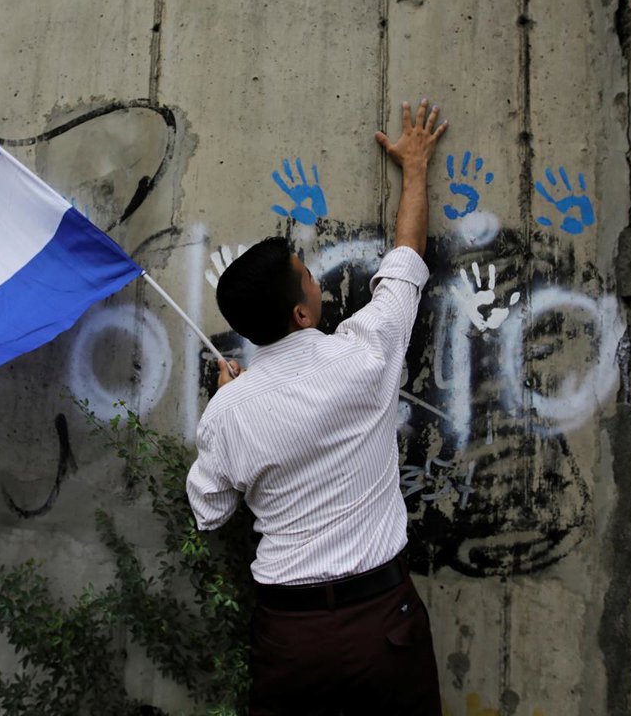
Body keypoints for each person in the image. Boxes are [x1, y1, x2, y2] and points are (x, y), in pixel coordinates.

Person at [186, 99, 446, 715]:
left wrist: (227, 405)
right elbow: (405, 261)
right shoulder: (365, 355)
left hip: (292, 639)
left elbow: (208, 512)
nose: (315, 279)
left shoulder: (229, 411)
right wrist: (415, 169)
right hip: (384, 625)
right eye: (307, 275)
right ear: (302, 312)